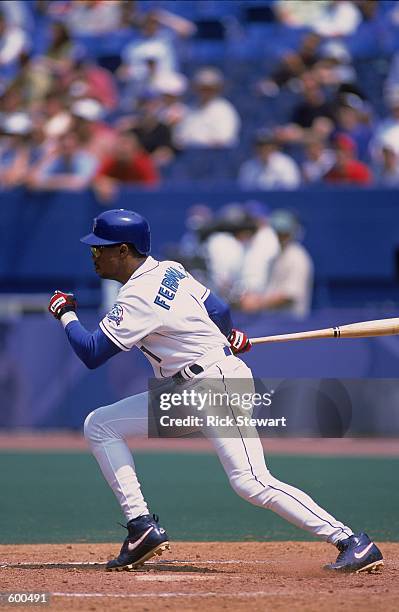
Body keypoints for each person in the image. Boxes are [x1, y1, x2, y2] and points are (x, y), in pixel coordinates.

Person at [48, 208, 384, 574]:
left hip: (214, 385)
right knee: (101, 424)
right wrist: (226, 334)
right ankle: (141, 527)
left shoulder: (137, 298)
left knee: (251, 482)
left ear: (125, 251)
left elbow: (93, 352)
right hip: (189, 388)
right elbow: (218, 307)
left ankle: (351, 540)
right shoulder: (169, 269)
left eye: (102, 248)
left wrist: (65, 313)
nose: (95, 254)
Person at [240, 209, 314, 317]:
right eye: (277, 232)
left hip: (293, 322)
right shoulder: (277, 255)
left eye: (283, 233)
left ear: (291, 233)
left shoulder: (298, 258)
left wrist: (257, 303)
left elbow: (289, 296)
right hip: (276, 320)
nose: (279, 236)